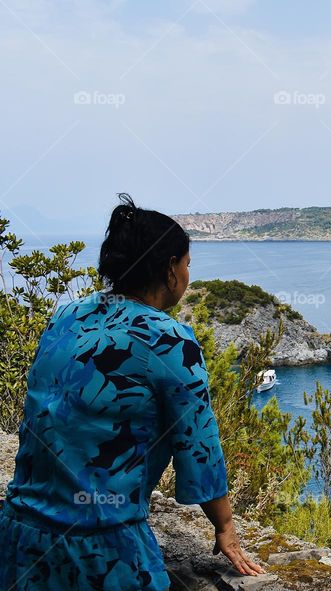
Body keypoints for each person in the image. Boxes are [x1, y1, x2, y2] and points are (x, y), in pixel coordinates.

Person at [0, 195, 264, 590]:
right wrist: (225, 526)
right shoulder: (168, 339)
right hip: (100, 548)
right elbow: (198, 445)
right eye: (187, 264)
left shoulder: (67, 315)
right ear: (170, 270)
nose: (188, 275)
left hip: (21, 538)